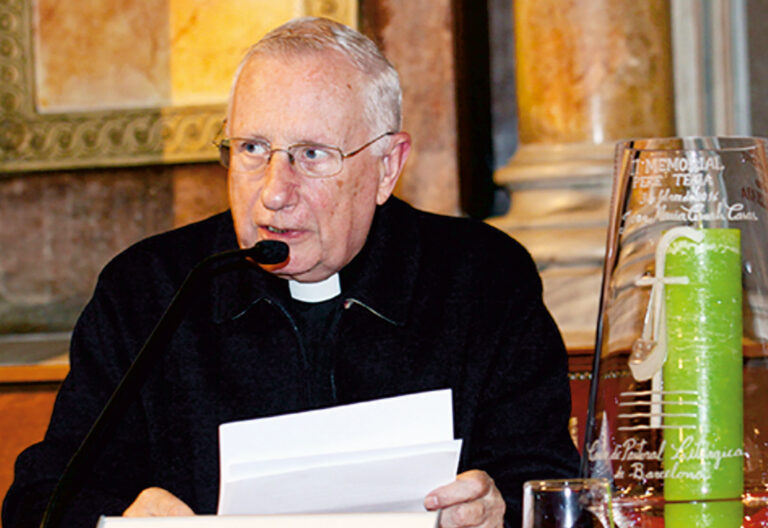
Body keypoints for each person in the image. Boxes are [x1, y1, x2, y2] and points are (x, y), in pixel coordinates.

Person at [2, 17, 579, 528]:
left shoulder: (482, 280)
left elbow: (550, 485)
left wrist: (498, 510)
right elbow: (38, 498)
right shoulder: (149, 290)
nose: (274, 193)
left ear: (387, 166)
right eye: (252, 149)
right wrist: (115, 521)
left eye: (312, 154)